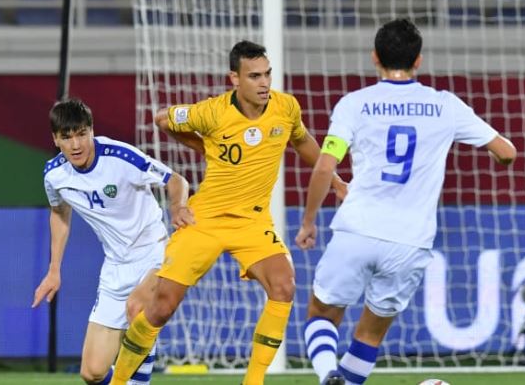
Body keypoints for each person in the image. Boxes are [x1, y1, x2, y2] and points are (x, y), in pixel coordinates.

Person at [109, 40, 347, 385]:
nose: (264, 83)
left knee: (284, 286)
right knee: (161, 307)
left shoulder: (286, 107)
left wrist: (337, 182)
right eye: (254, 76)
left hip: (253, 222)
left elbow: (301, 139)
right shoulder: (212, 112)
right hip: (205, 219)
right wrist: (204, 144)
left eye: (267, 74)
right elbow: (163, 119)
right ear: (234, 79)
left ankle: (253, 382)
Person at [295, 18, 517, 385]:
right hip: (410, 241)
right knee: (369, 334)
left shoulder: (356, 104)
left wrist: (308, 222)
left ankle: (326, 376)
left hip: (358, 228)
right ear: (419, 61)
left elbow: (324, 167)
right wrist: (499, 158)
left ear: (374, 58)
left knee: (321, 313)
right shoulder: (446, 105)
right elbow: (507, 152)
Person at [32, 99, 194, 385]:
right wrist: (54, 269)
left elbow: (176, 180)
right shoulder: (54, 176)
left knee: (137, 310)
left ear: (91, 131)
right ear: (55, 139)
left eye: (82, 133)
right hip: (115, 266)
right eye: (67, 137)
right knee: (92, 373)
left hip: (155, 252)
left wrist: (178, 208)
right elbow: (59, 213)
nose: (76, 144)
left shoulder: (120, 157)